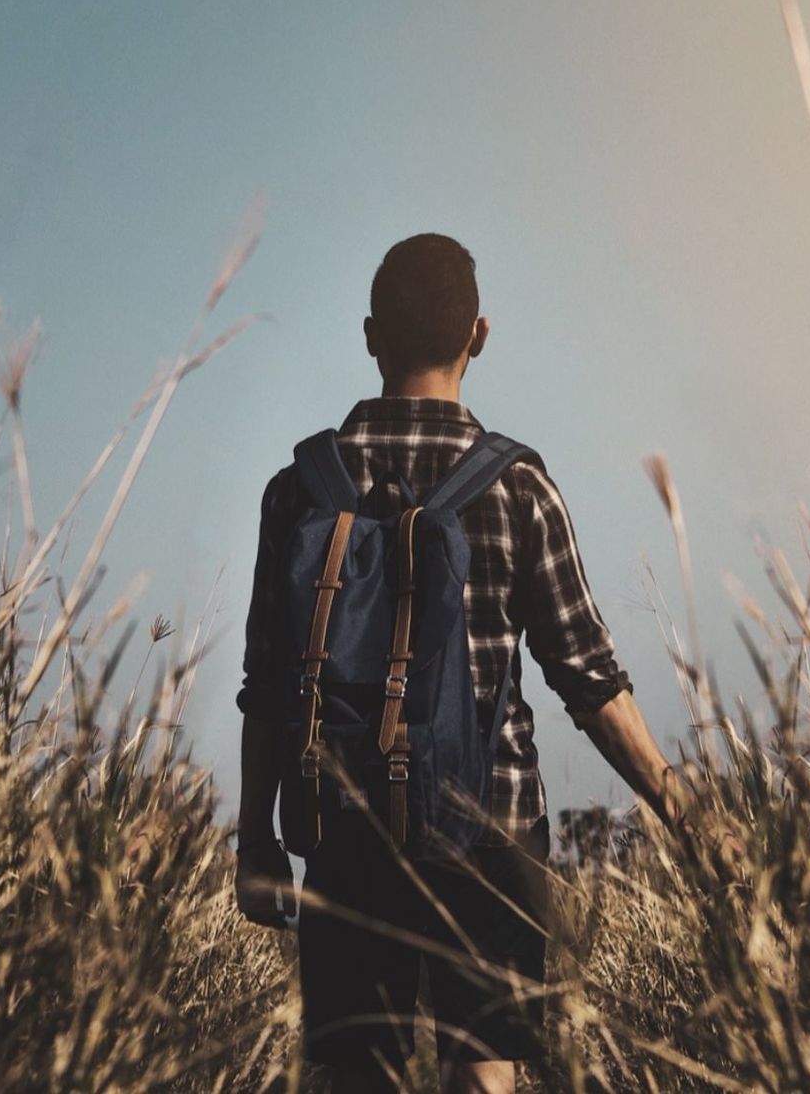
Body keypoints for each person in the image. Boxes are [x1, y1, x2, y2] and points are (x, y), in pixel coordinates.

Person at [235, 233, 700, 1094]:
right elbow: (586, 676)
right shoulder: (516, 486)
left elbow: (267, 686)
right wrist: (682, 808)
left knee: (352, 1077)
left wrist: (256, 843)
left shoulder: (297, 489)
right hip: (489, 828)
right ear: (477, 336)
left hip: (344, 826)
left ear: (370, 336)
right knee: (482, 1076)